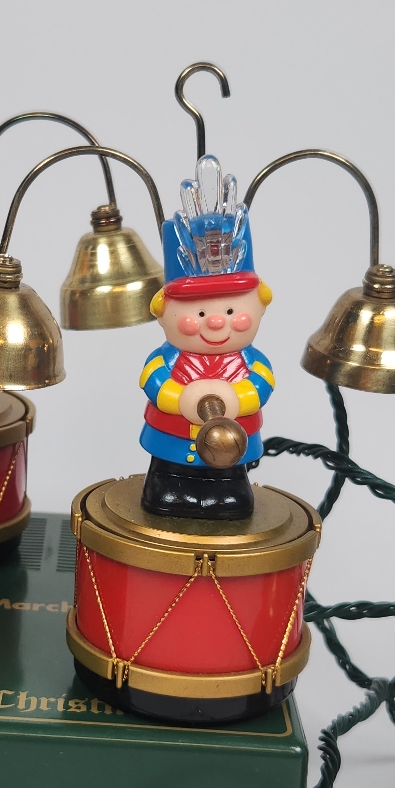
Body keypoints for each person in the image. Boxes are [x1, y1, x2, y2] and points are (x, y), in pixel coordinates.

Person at [139, 155, 274, 520]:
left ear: (260, 306)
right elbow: (153, 381)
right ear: (162, 312)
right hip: (172, 441)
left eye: (231, 311)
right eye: (199, 313)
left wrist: (236, 397)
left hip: (232, 448)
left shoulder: (249, 362)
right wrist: (180, 398)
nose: (215, 322)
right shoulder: (167, 359)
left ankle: (227, 491)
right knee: (168, 477)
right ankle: (168, 489)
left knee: (229, 483)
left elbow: (261, 385)